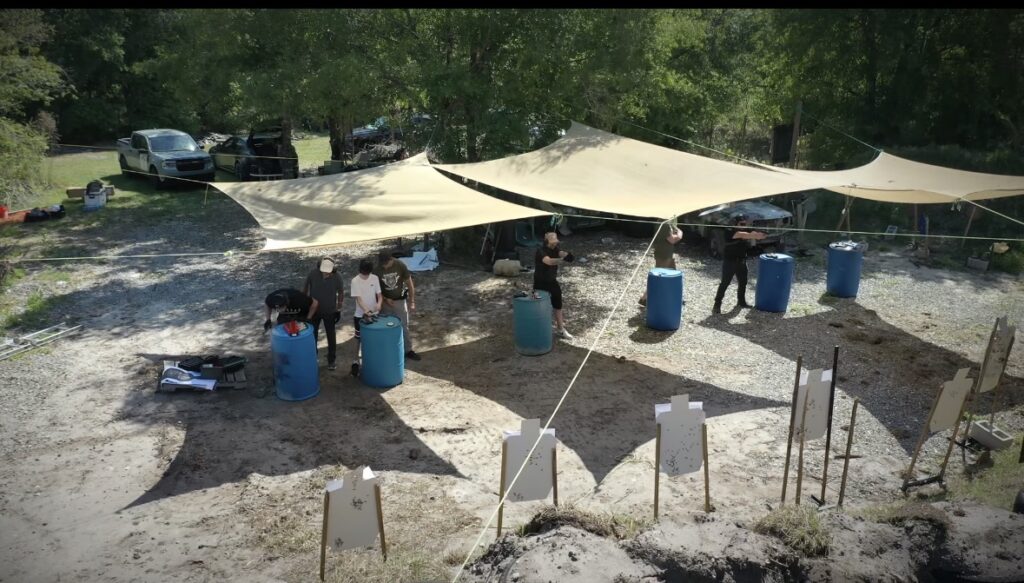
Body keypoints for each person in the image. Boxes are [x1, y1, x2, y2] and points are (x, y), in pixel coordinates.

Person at [712, 214, 766, 314]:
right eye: (742, 224)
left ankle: (741, 302)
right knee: (725, 283)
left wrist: (760, 233)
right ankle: (717, 304)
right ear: (735, 224)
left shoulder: (745, 230)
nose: (744, 226)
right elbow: (742, 235)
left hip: (742, 261)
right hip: (730, 262)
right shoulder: (729, 232)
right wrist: (755, 235)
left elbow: (751, 233)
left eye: (745, 224)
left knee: (743, 282)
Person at [374, 250, 420, 361]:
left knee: (404, 325)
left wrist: (412, 301)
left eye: (386, 264)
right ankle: (388, 350)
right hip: (385, 302)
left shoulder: (400, 265)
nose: (384, 266)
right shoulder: (376, 270)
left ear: (391, 259)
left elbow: (410, 284)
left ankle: (408, 350)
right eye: (382, 264)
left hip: (399, 301)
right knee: (385, 327)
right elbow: (375, 289)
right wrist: (385, 299)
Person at [303, 256, 345, 370]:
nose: (327, 273)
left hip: (330, 311)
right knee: (313, 335)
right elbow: (305, 289)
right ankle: (313, 358)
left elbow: (341, 292)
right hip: (314, 310)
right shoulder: (313, 274)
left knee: (331, 335)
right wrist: (305, 304)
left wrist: (339, 308)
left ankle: (331, 360)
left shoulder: (337, 276)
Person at [534, 231, 575, 339]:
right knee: (537, 305)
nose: (556, 242)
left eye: (556, 239)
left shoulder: (556, 249)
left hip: (552, 281)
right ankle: (537, 329)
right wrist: (562, 259)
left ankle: (561, 329)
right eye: (553, 240)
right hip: (540, 283)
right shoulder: (540, 251)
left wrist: (567, 255)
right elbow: (549, 261)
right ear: (547, 241)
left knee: (558, 304)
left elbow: (564, 255)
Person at [349, 258, 382, 377]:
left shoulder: (375, 278)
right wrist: (366, 310)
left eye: (367, 273)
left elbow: (379, 295)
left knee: (373, 337)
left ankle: (373, 360)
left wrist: (379, 304)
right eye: (364, 273)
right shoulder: (355, 281)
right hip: (360, 315)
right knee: (358, 338)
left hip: (374, 314)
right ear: (360, 270)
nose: (366, 275)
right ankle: (355, 361)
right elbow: (358, 299)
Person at [639, 221, 683, 306]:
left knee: (673, 276)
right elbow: (672, 240)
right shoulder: (664, 225)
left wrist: (675, 228)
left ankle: (675, 298)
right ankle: (644, 298)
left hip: (667, 254)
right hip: (664, 255)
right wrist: (680, 233)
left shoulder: (667, 223)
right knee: (657, 278)